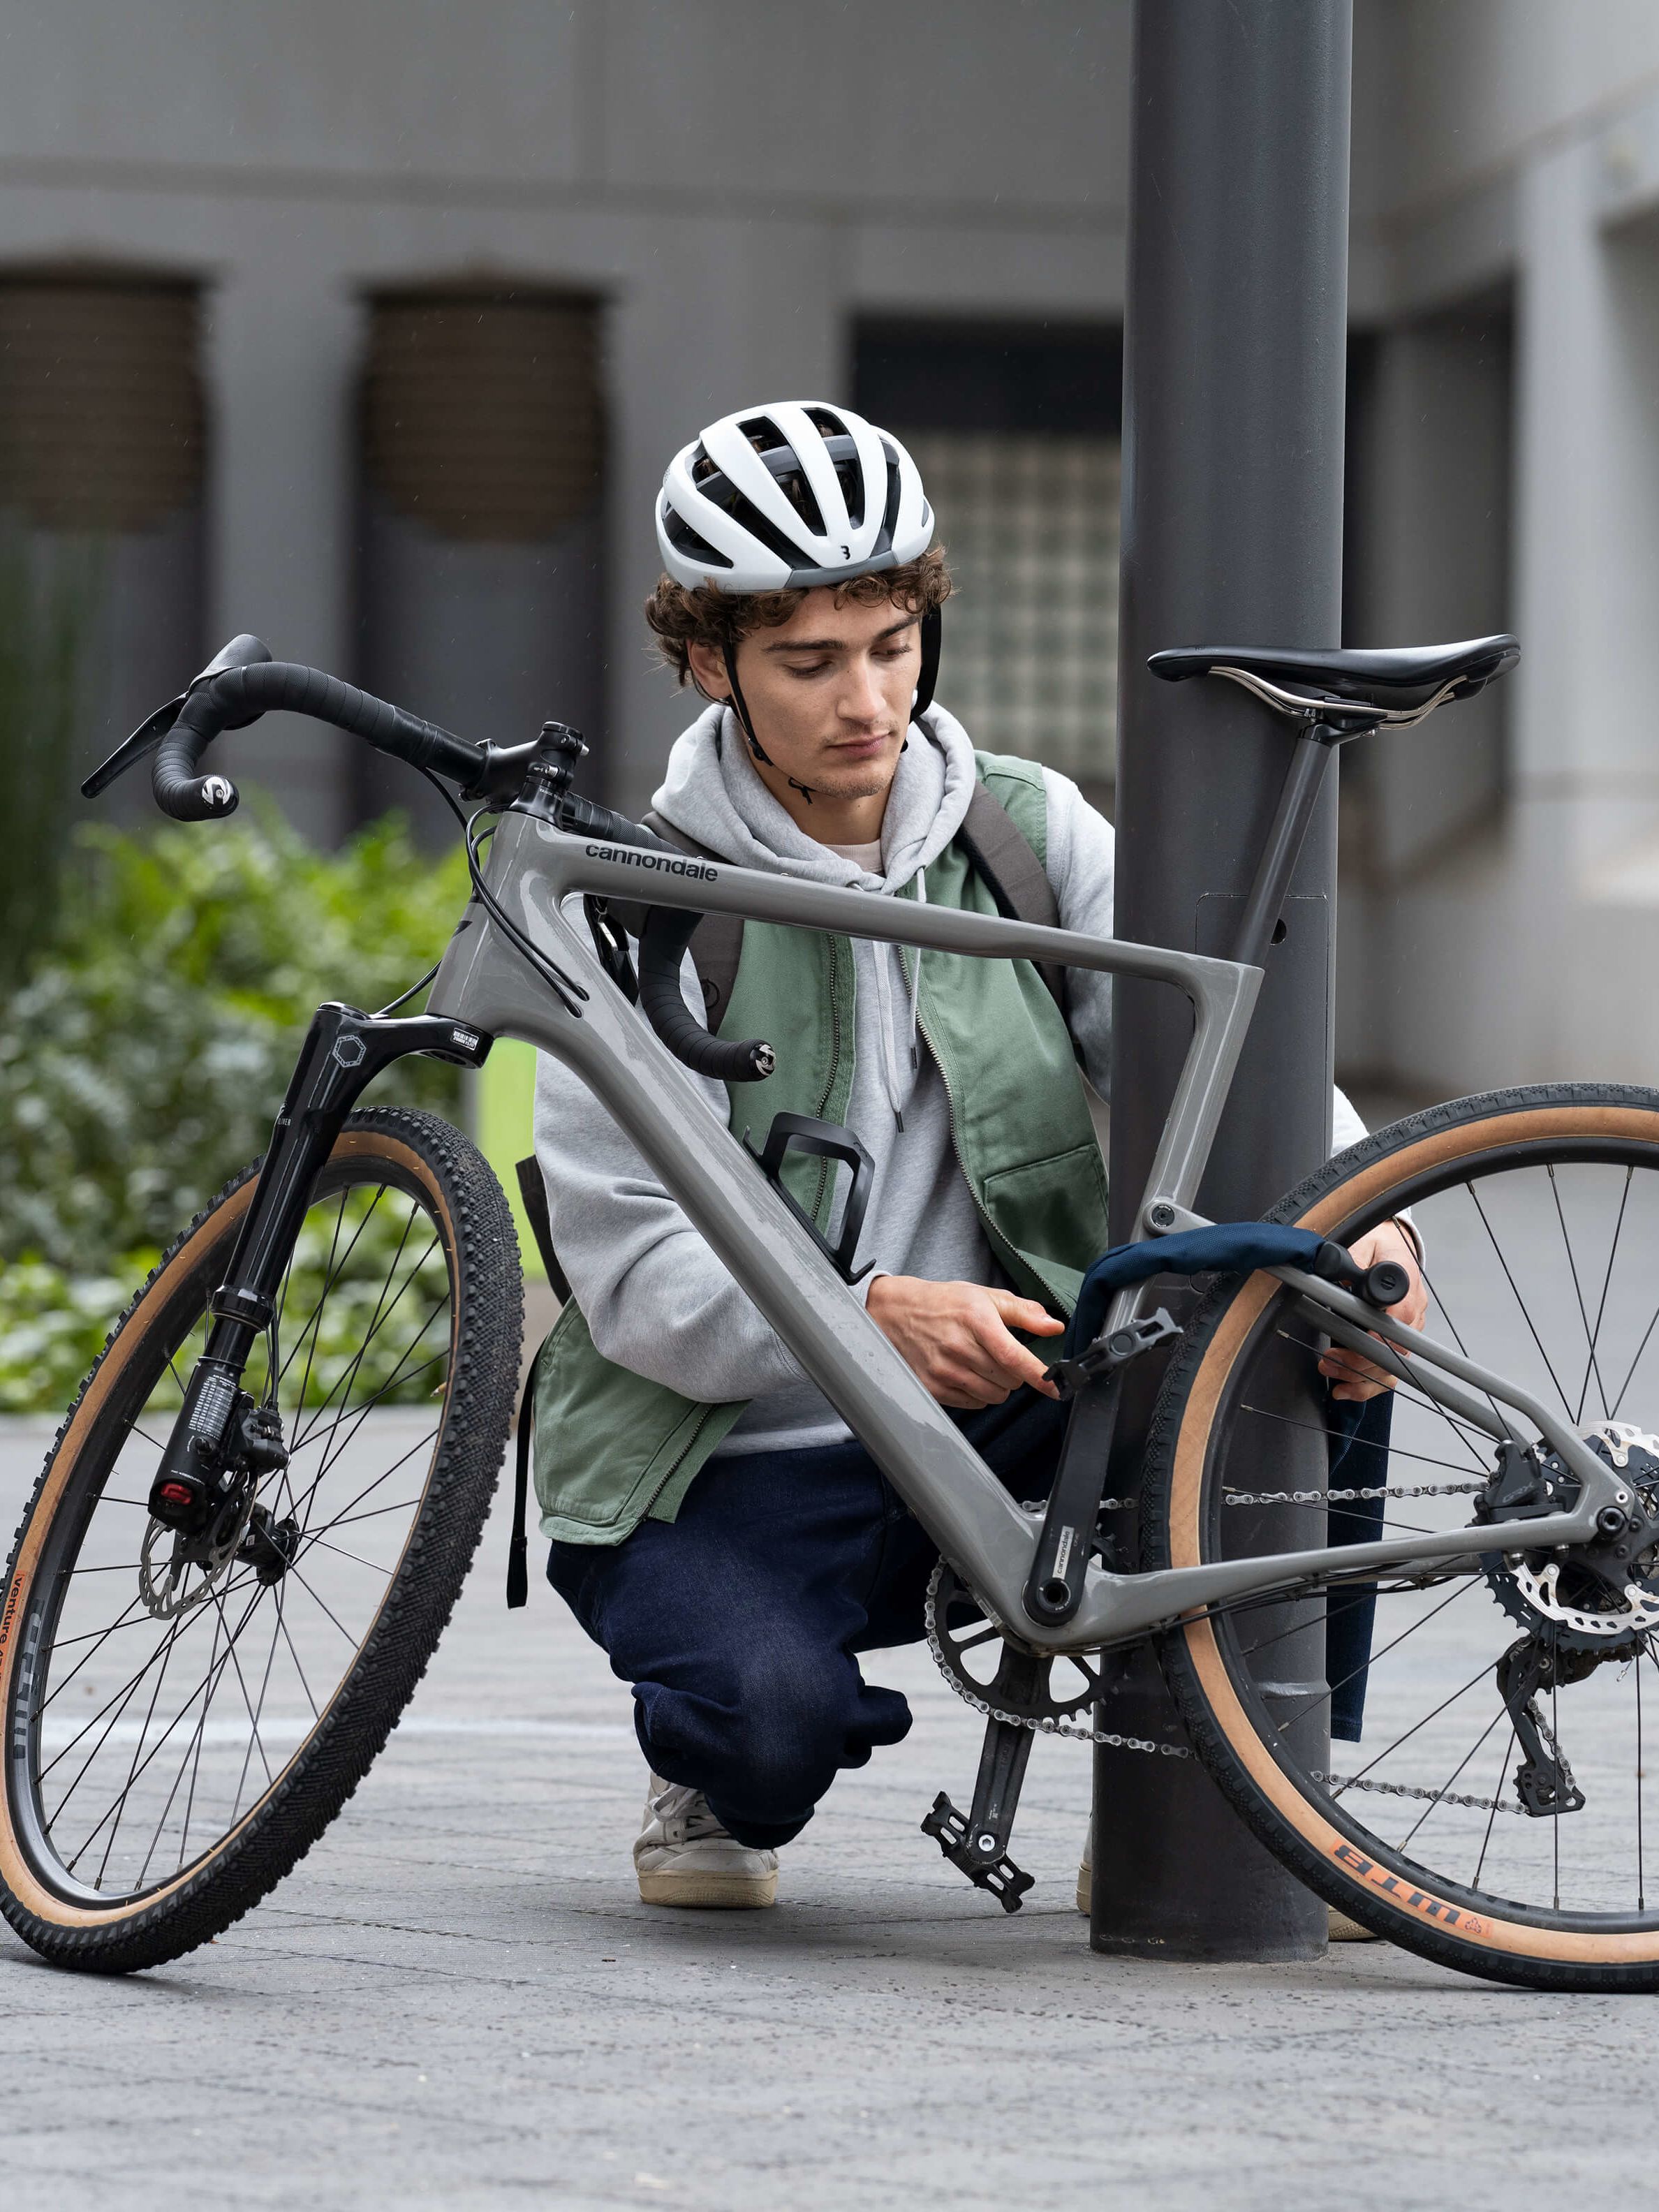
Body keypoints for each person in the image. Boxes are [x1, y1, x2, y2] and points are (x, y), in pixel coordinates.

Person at [530, 400, 1424, 1914]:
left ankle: (1237, 1795)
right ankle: (713, 1773)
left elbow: (1213, 1054)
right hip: (733, 1462)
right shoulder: (639, 907)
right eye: (808, 663)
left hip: (1013, 1410)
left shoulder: (1020, 830)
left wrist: (1363, 1220)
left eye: (889, 643)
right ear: (705, 660)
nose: (866, 700)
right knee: (768, 1718)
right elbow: (629, 1274)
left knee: (1305, 1322)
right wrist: (866, 1310)